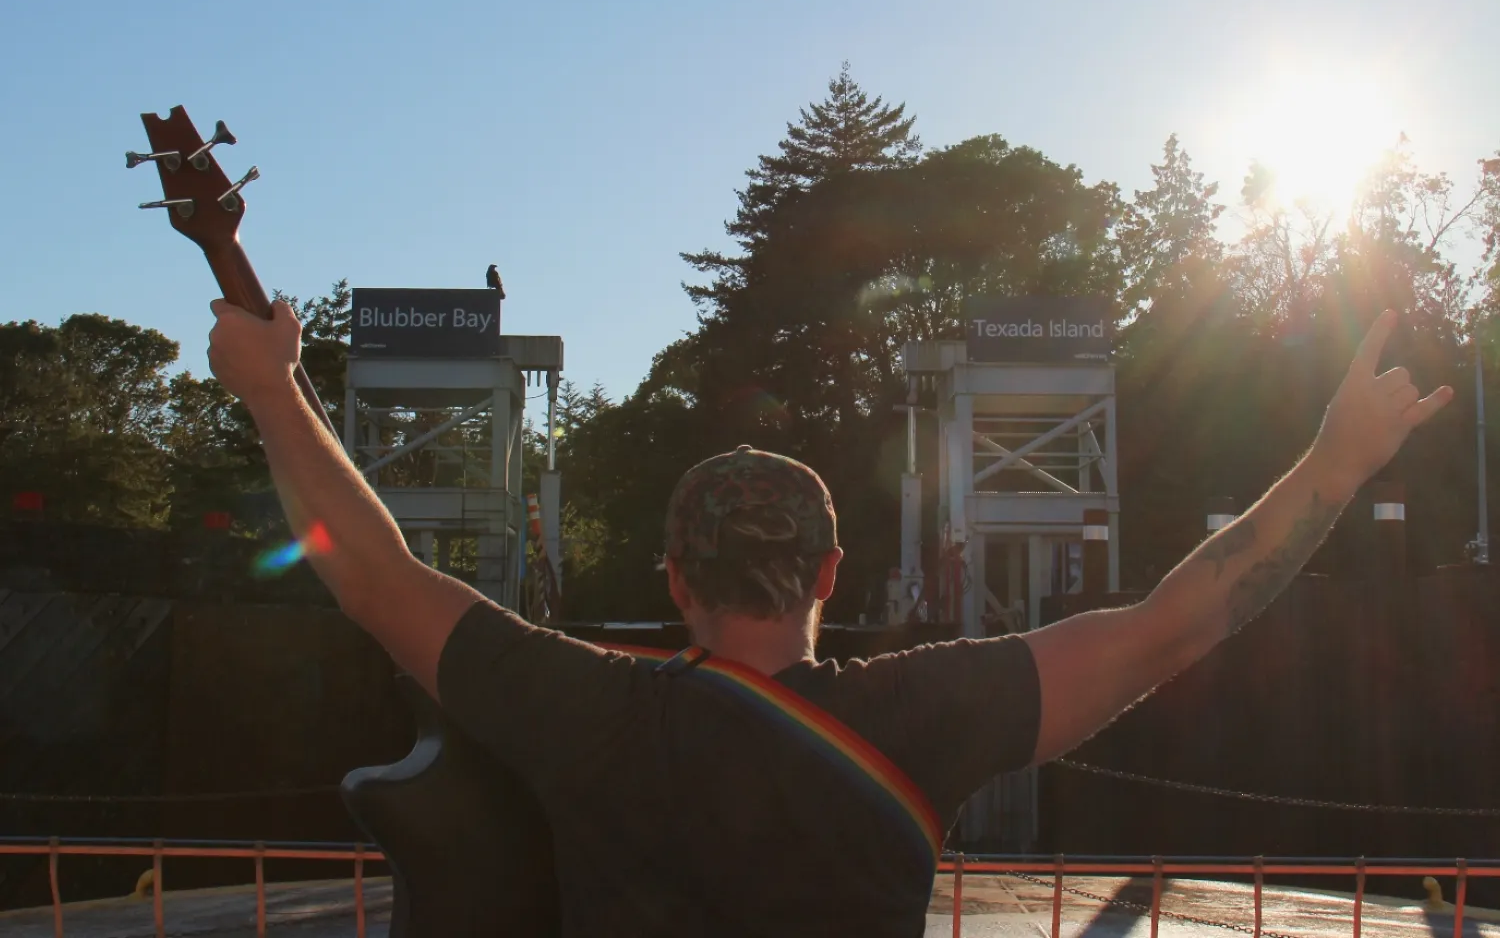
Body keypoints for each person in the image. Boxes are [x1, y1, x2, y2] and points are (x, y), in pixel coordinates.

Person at [207, 301, 1450, 936]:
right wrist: (1333, 468)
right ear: (832, 575)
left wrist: (274, 391)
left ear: (674, 584)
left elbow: (371, 574)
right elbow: (1176, 623)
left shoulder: (582, 712)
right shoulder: (924, 715)